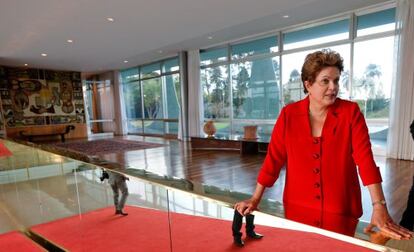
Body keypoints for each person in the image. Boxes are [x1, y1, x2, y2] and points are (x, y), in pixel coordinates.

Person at [234, 49, 413, 241]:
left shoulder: (350, 112)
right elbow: (274, 160)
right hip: (298, 207)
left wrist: (379, 205)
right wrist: (255, 198)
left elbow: (365, 160)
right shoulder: (288, 115)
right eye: (325, 81)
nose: (333, 87)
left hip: (341, 209)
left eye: (336, 80)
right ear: (308, 84)